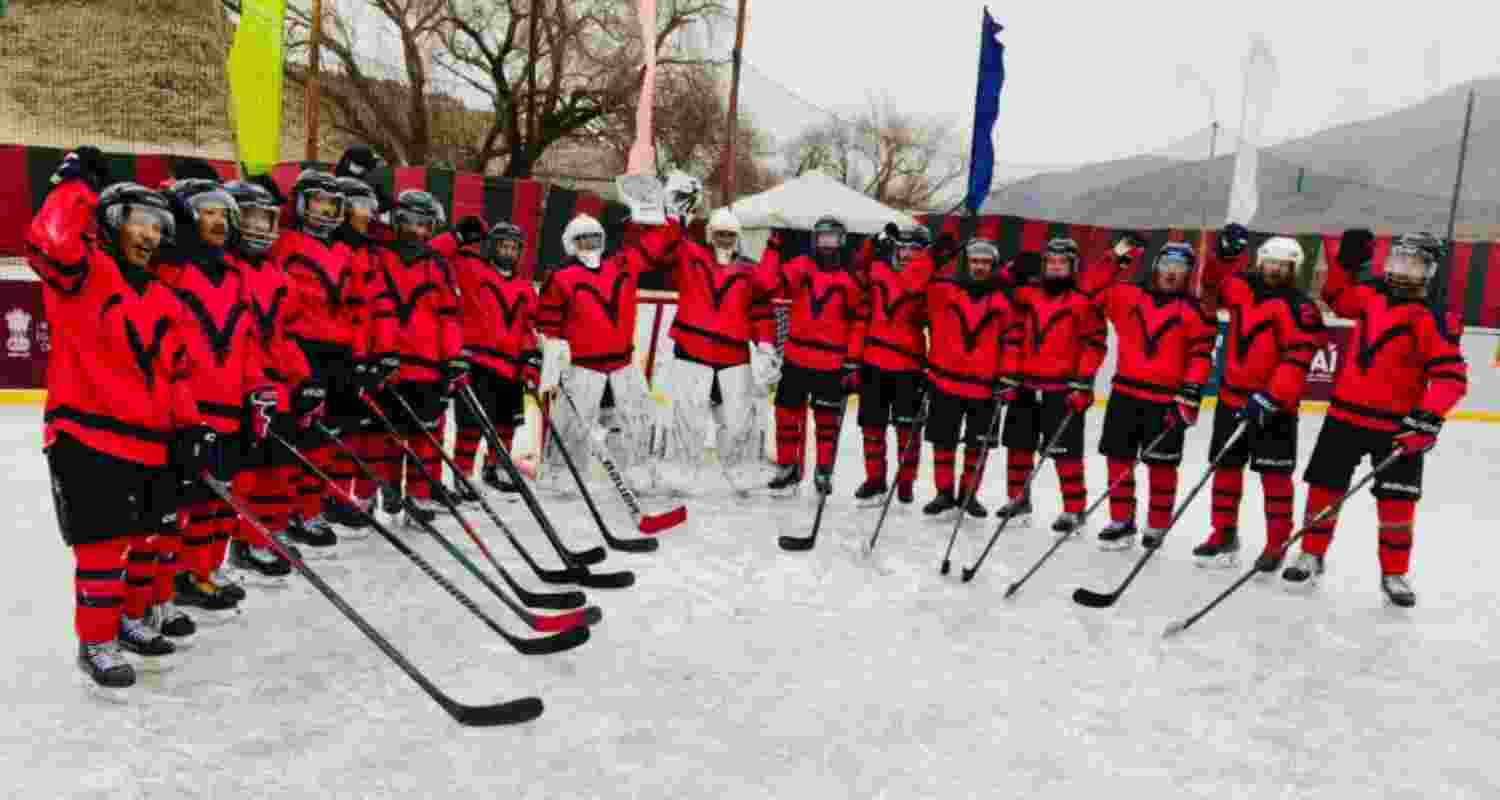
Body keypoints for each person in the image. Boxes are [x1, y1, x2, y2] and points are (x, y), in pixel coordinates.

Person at [27, 151, 216, 688]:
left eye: (157, 226)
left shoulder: (165, 299)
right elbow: (51, 241)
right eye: (138, 222)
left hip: (150, 441)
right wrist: (74, 187)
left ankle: (131, 619)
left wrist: (189, 428)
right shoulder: (83, 276)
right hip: (87, 435)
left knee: (147, 540)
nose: (149, 235)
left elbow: (175, 372)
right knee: (102, 548)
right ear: (110, 223)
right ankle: (96, 641)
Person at [1289, 230, 1468, 606]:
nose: (1402, 270)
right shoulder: (1370, 293)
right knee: (1324, 488)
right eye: (1398, 260)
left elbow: (1451, 378)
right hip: (1344, 415)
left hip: (1396, 427)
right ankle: (1311, 553)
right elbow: (1338, 299)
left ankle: (1394, 572)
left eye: (1413, 265)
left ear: (1429, 272)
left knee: (1397, 503)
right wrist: (1346, 264)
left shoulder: (1433, 318)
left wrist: (1427, 417)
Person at [156, 177, 279, 618]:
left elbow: (247, 344)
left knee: (216, 502)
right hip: (189, 410)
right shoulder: (169, 274)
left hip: (230, 408)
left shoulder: (234, 275)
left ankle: (202, 571)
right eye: (208, 212)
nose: (220, 222)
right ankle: (170, 582)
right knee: (183, 506)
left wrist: (257, 388)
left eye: (223, 214)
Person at [1195, 226, 1327, 569]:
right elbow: (1211, 288)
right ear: (1260, 262)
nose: (1276, 270)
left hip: (1275, 409)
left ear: (1294, 269)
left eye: (1284, 265)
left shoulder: (1301, 308)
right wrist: (1223, 256)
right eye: (1271, 263)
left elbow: (1298, 358)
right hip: (1231, 400)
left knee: (1275, 478)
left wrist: (1272, 397)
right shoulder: (1240, 287)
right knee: (1225, 470)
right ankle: (1223, 533)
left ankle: (1276, 542)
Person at [1089, 241, 1218, 550]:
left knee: (1162, 467)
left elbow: (1201, 356)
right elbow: (1090, 292)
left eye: (1180, 267)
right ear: (1155, 266)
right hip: (1124, 394)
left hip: (1165, 401)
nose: (1171, 273)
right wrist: (1116, 257)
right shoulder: (1127, 296)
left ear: (1189, 273)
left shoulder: (1196, 311)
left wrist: (1190, 393)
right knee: (1118, 461)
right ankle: (1121, 521)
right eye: (1166, 265)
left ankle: (1157, 525)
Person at [222, 178, 320, 581]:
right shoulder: (225, 272)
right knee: (246, 474)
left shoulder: (277, 276)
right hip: (241, 388)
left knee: (277, 467)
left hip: (275, 387)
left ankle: (268, 532)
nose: (259, 229)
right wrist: (252, 386)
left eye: (265, 220)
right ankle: (243, 542)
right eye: (250, 219)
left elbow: (282, 335)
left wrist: (303, 378)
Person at [643, 202, 777, 493]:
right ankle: (681, 471)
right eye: (719, 234)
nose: (725, 240)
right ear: (709, 235)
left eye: (730, 235)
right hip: (692, 352)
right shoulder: (691, 257)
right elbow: (659, 250)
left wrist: (766, 344)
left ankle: (739, 471)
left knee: (737, 420)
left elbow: (761, 312)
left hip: (733, 356)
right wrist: (675, 219)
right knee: (687, 417)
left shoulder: (749, 271)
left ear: (737, 237)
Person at [270, 169, 360, 550]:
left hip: (338, 352)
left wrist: (359, 353)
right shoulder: (284, 242)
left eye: (332, 205)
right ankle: (282, 513)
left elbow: (356, 304)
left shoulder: (344, 251)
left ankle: (310, 507)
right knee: (297, 435)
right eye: (317, 202)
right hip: (301, 349)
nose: (324, 212)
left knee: (327, 438)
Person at [750, 215, 870, 496]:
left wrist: (853, 359)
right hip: (796, 358)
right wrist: (773, 247)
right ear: (814, 240)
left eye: (833, 238)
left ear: (842, 241)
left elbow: (860, 320)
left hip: (831, 363)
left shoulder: (849, 278)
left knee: (827, 422)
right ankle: (787, 466)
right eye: (822, 238)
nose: (827, 244)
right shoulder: (801, 266)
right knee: (785, 414)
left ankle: (823, 470)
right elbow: (764, 284)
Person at [364, 190, 465, 523]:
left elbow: (449, 316)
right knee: (390, 437)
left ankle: (421, 495)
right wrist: (374, 355)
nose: (416, 231)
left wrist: (453, 357)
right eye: (408, 222)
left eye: (424, 225)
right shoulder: (378, 257)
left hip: (428, 366)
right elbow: (369, 308)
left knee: (427, 435)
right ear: (395, 222)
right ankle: (390, 492)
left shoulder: (438, 265)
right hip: (389, 364)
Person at [996, 238, 1108, 532]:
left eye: (1062, 263)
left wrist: (1083, 381)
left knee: (1065, 454)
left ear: (1073, 267)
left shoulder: (1083, 301)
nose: (1056, 268)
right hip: (1025, 384)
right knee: (1018, 447)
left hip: (1064, 388)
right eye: (1051, 263)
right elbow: (1001, 288)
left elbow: (1095, 344)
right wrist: (1013, 269)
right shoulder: (1028, 296)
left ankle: (1074, 510)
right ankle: (1018, 500)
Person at [431, 218, 540, 497]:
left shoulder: (526, 287)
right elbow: (432, 255)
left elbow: (528, 327)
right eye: (503, 246)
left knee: (506, 423)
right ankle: (464, 473)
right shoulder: (471, 269)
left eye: (514, 248)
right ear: (491, 247)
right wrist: (457, 236)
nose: (508, 252)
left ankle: (496, 467)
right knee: (471, 424)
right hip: (478, 361)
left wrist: (530, 357)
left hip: (511, 365)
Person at [919, 239, 1022, 517]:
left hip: (985, 388)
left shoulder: (1004, 300)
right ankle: (943, 493)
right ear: (966, 263)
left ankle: (968, 495)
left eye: (986, 263)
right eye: (975, 261)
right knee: (943, 442)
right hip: (945, 382)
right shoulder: (943, 291)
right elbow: (911, 284)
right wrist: (932, 257)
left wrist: (1008, 378)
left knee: (978, 447)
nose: (979, 267)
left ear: (994, 266)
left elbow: (1012, 342)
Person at [851, 222, 936, 506]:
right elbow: (856, 271)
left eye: (913, 250)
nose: (906, 255)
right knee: (872, 426)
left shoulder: (928, 280)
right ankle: (874, 478)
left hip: (908, 366)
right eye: (901, 248)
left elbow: (937, 321)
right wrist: (871, 243)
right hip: (874, 362)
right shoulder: (877, 270)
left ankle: (906, 481)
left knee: (907, 429)